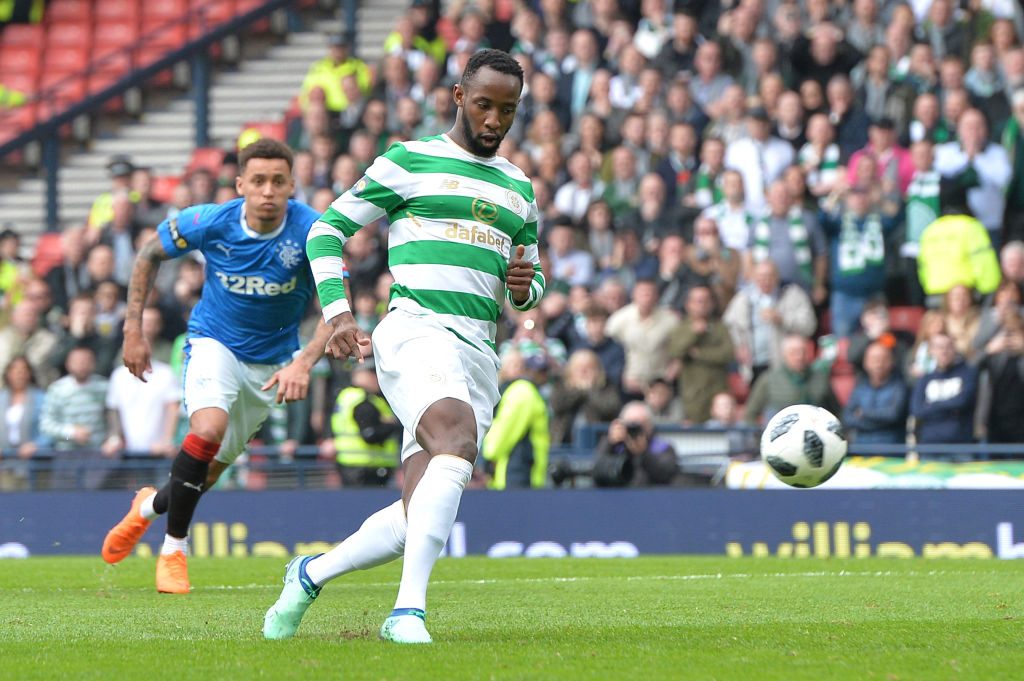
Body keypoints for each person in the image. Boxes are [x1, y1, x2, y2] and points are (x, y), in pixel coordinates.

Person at [263, 50, 545, 645]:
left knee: (420, 505)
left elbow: (530, 283)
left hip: (477, 351)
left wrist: (526, 288)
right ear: (458, 98)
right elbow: (326, 231)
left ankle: (310, 573)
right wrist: (338, 311)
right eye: (485, 104)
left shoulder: (519, 186)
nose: (495, 119)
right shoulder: (410, 160)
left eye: (508, 109)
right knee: (458, 442)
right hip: (416, 327)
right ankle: (407, 613)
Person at [99, 139, 334, 595]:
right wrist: (133, 330)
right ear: (241, 184)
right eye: (259, 181)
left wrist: (304, 362)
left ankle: (147, 509)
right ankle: (174, 551)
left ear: (292, 186)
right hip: (212, 343)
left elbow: (333, 307)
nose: (268, 191)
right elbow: (149, 253)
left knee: (204, 474)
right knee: (206, 431)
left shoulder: (313, 232)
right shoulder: (210, 221)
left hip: (272, 364)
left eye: (278, 182)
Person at [723, 260, 817, 386]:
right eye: (761, 277)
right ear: (754, 278)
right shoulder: (743, 298)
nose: (765, 281)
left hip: (784, 366)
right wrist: (738, 345)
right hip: (754, 366)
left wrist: (782, 319)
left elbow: (809, 325)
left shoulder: (792, 294)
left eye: (769, 276)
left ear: (777, 276)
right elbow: (728, 325)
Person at [665, 286, 734, 423]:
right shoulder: (681, 328)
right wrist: (693, 334)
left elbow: (728, 354)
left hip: (717, 389)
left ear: (712, 304)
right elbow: (674, 351)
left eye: (705, 301)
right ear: (688, 304)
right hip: (692, 393)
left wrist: (698, 354)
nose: (701, 305)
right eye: (697, 301)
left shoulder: (720, 327)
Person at [481, 353, 550, 490]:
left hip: (520, 475)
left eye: (544, 371)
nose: (542, 376)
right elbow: (500, 439)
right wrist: (490, 454)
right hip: (516, 475)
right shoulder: (523, 391)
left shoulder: (522, 391)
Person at [329, 360, 401, 487]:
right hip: (367, 469)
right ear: (362, 374)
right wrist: (392, 425)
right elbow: (369, 434)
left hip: (349, 465)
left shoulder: (346, 396)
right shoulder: (363, 400)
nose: (378, 379)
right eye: (374, 373)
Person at [745, 334, 841, 426]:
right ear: (784, 354)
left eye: (803, 351)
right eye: (794, 352)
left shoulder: (820, 378)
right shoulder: (768, 379)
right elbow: (750, 414)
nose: (799, 356)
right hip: (781, 436)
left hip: (816, 434)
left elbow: (837, 411)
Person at [909, 332, 978, 449]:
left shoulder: (968, 373)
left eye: (948, 347)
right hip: (930, 446)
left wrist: (932, 405)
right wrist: (951, 406)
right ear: (931, 351)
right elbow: (917, 410)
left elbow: (963, 401)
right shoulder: (925, 379)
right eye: (939, 347)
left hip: (961, 445)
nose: (944, 351)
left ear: (955, 349)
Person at [591, 401, 679, 487]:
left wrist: (643, 453)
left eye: (640, 425)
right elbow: (596, 470)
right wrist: (610, 444)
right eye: (630, 426)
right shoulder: (614, 445)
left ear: (650, 426)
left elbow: (667, 473)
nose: (635, 431)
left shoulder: (662, 447)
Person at [842, 342, 908, 445]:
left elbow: (893, 415)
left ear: (891, 361)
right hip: (862, 450)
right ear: (865, 363)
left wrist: (864, 413)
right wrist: (879, 423)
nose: (878, 363)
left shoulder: (899, 387)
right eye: (874, 359)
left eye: (883, 359)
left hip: (891, 450)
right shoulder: (860, 388)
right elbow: (848, 418)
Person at [0, 356, 47, 491]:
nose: (19, 374)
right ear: (8, 374)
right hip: (5, 465)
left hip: (34, 465)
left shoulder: (41, 398)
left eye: (23, 370)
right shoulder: (1, 398)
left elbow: (48, 430)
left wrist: (36, 445)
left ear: (29, 373)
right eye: (15, 370)